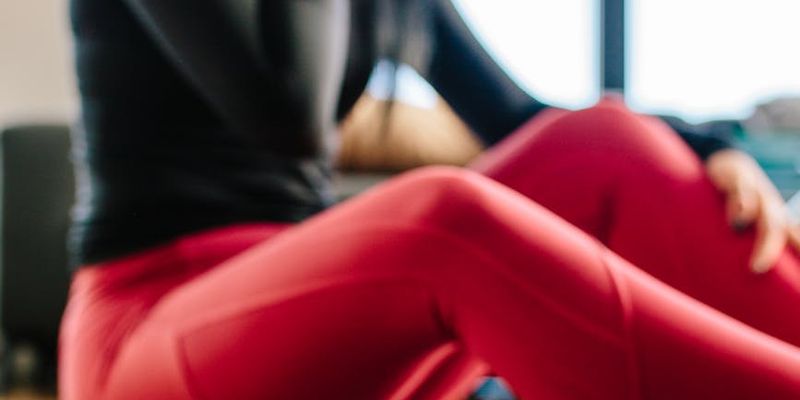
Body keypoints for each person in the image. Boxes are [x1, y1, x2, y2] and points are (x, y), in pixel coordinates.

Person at [60, 0, 800, 398]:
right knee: (444, 223)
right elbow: (286, 110)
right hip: (151, 324)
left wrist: (711, 145)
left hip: (312, 315)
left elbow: (522, 117)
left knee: (605, 142)